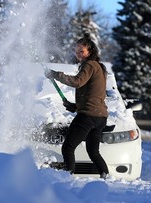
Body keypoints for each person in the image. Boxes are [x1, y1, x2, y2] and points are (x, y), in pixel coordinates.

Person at [44, 33, 109, 179]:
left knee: (68, 147)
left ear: (90, 51)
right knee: (93, 152)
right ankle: (106, 177)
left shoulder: (90, 64)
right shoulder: (98, 67)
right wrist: (74, 106)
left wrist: (55, 74)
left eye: (82, 51)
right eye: (77, 51)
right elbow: (94, 94)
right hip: (100, 117)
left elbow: (77, 82)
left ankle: (67, 178)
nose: (78, 54)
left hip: (88, 116)